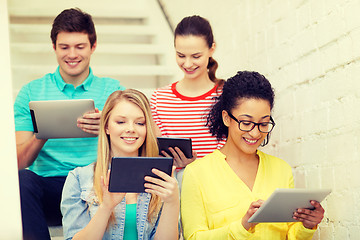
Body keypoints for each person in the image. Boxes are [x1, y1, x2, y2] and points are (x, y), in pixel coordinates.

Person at [13, 8, 125, 239]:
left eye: (80, 46)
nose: (72, 54)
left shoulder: (112, 90)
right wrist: (41, 133)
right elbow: (20, 162)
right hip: (50, 187)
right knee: (21, 181)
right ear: (54, 47)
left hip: (95, 186)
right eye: (64, 47)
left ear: (93, 47)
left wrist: (107, 127)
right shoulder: (31, 92)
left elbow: (131, 147)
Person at [181, 71, 325, 239]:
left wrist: (307, 225)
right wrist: (242, 226)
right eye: (246, 123)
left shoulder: (281, 169)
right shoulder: (197, 173)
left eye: (263, 123)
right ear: (227, 118)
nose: (255, 133)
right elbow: (193, 237)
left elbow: (290, 235)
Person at [61, 89, 179, 240]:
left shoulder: (164, 178)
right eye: (121, 122)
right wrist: (106, 208)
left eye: (140, 123)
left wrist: (172, 203)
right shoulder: (78, 178)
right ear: (106, 127)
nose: (131, 129)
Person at [150, 15, 225, 178]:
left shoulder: (225, 96)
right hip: (174, 192)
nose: (188, 64)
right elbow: (155, 155)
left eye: (196, 56)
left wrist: (194, 165)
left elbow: (232, 157)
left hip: (217, 187)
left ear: (212, 49)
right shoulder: (158, 99)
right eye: (181, 55)